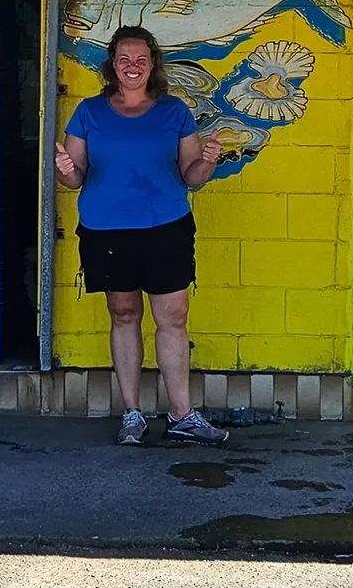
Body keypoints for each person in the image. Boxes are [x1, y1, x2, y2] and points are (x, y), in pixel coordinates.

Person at [54, 25, 225, 446]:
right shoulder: (88, 112)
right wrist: (66, 171)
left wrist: (207, 162)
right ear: (112, 64)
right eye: (124, 59)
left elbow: (192, 177)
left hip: (166, 225)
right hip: (107, 228)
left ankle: (182, 414)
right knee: (124, 315)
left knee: (174, 318)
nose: (132, 66)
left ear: (153, 65)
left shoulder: (174, 112)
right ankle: (132, 414)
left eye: (141, 59)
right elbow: (75, 179)